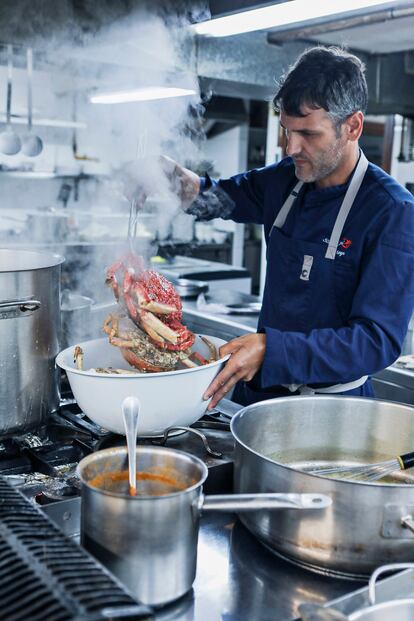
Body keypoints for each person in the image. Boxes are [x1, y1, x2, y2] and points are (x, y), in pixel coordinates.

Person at [163, 46, 414, 409]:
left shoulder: (391, 211)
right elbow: (214, 198)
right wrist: (168, 176)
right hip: (261, 396)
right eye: (286, 130)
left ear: (353, 126)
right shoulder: (283, 181)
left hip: (334, 409)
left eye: (308, 134)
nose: (291, 147)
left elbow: (375, 342)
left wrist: (270, 348)